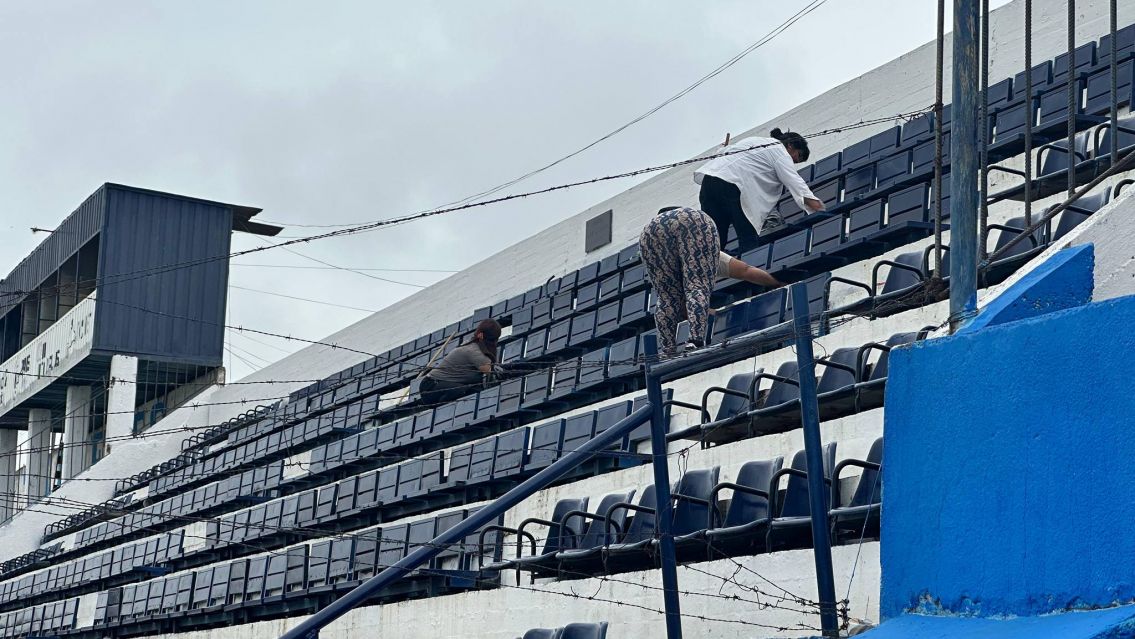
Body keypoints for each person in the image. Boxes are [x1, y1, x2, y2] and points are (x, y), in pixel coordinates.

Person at [640, 207, 784, 355]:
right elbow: (746, 270)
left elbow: (681, 308)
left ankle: (667, 351)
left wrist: (777, 284)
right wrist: (777, 283)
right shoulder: (704, 254)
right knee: (696, 285)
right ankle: (695, 341)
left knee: (666, 298)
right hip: (690, 220)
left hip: (650, 232)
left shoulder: (673, 270)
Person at [694, 127, 826, 253]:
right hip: (733, 185)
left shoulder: (753, 140)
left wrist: (721, 148)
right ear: (790, 145)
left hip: (709, 182)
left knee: (715, 240)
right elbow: (794, 181)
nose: (795, 161)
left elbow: (723, 153)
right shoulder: (780, 151)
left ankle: (711, 271)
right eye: (798, 155)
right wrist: (814, 204)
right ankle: (749, 272)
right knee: (749, 237)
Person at [419, 319, 501, 405]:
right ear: (481, 335)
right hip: (430, 388)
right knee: (459, 390)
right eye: (492, 340)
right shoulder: (473, 351)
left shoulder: (479, 347)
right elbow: (491, 371)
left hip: (445, 385)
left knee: (475, 391)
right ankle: (441, 409)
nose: (494, 343)